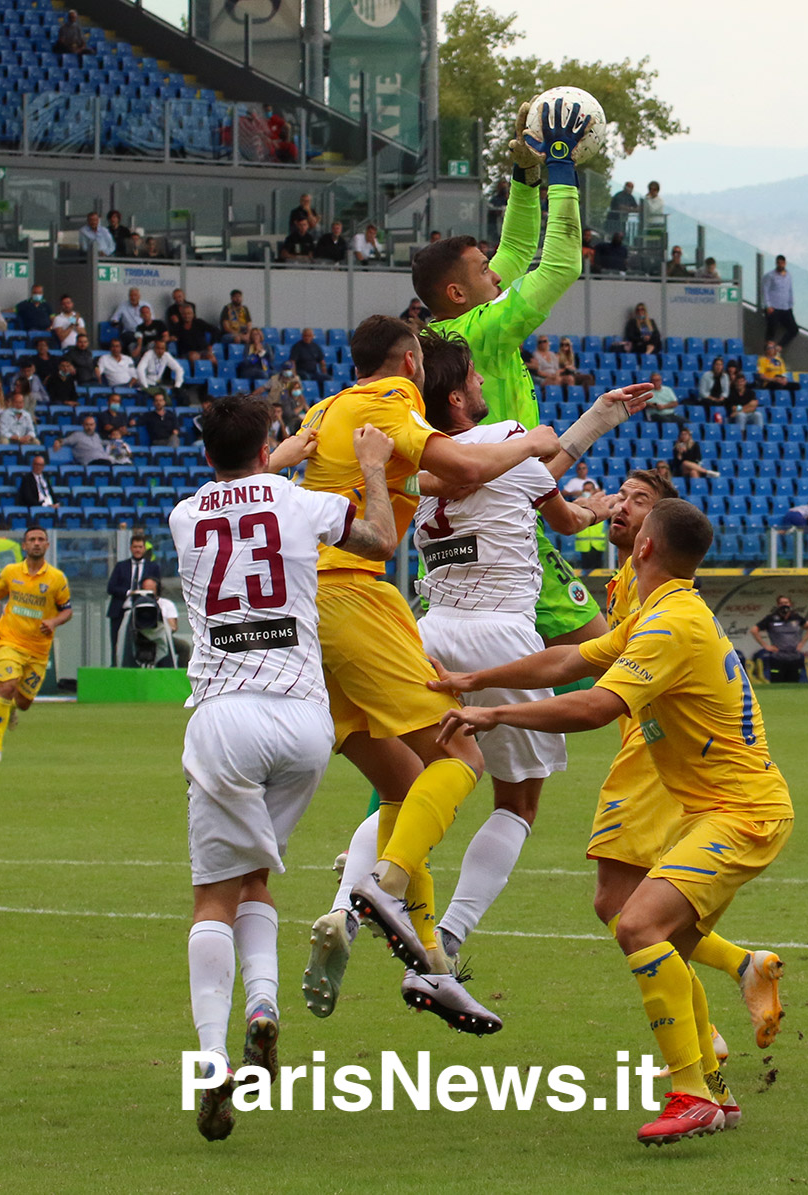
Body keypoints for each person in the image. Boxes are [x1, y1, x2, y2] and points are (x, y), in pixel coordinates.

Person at [434, 497, 792, 1146]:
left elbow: (598, 706)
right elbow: (568, 661)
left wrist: (495, 714)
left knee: (636, 921)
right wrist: (474, 679)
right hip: (715, 809)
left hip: (740, 813)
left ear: (645, 548)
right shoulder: (660, 612)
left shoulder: (668, 625)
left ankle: (690, 1093)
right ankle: (712, 1088)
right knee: (667, 942)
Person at [282, 315, 558, 1020]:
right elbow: (469, 470)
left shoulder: (324, 408)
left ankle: (431, 959)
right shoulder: (388, 404)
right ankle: (380, 882)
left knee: (403, 782)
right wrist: (533, 436)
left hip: (309, 612)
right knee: (461, 755)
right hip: (360, 598)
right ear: (408, 362)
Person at [171, 395, 400, 1140]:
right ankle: (264, 1005)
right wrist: (368, 467)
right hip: (304, 718)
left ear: (205, 452)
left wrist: (273, 454)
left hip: (224, 712)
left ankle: (210, 1059)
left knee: (213, 892)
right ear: (269, 440)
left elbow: (237, 489)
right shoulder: (303, 502)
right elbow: (379, 540)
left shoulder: (183, 515)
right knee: (256, 880)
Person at [393, 337, 641, 1001]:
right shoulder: (507, 436)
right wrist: (598, 502)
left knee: (414, 782)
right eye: (474, 375)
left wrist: (589, 427)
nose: (483, 384)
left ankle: (350, 893)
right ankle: (445, 937)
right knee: (517, 802)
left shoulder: (412, 461)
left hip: (428, 633)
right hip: (501, 635)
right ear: (457, 395)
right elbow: (560, 514)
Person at [410, 98, 605, 651]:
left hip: (462, 522)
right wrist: (561, 166)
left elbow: (518, 247)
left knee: (471, 681)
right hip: (502, 519)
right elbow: (562, 263)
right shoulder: (485, 330)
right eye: (482, 269)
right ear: (457, 292)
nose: (496, 271)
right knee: (614, 665)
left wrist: (524, 175)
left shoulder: (451, 332)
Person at [0, 527, 72, 763]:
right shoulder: (10, 572)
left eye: (40, 540)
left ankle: (12, 709)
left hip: (37, 650)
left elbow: (67, 610)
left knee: (24, 702)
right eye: (31, 540)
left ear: (47, 545)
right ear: (24, 546)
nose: (36, 543)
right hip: (9, 641)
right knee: (7, 686)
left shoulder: (56, 578)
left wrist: (54, 620)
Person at [105, 535, 161, 666]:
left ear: (144, 549)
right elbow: (111, 587)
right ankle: (116, 667)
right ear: (131, 548)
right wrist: (129, 593)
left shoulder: (152, 567)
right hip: (121, 610)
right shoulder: (121, 566)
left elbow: (157, 588)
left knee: (143, 642)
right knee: (117, 642)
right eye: (135, 547)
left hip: (144, 611)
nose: (137, 550)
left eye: (140, 547)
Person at [751, 594, 808, 683]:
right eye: (781, 603)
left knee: (794, 685)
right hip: (778, 658)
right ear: (778, 605)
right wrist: (766, 646)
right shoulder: (771, 618)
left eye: (786, 602)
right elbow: (754, 630)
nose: (784, 605)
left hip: (794, 657)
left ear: (790, 604)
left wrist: (802, 643)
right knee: (777, 684)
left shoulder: (796, 617)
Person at [760, 254, 798, 349]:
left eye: (782, 263)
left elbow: (790, 290)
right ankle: (768, 350)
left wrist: (791, 304)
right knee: (772, 329)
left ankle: (779, 347)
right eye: (778, 263)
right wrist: (768, 305)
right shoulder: (770, 276)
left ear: (785, 263)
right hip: (773, 307)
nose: (780, 264)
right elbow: (765, 290)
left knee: (793, 329)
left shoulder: (788, 275)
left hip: (785, 307)